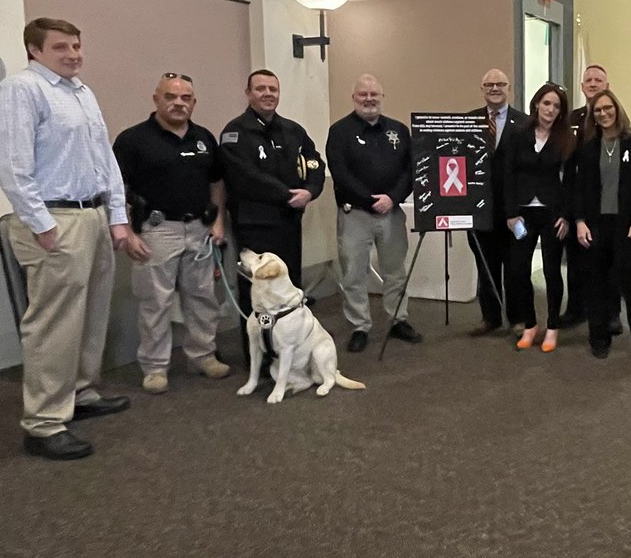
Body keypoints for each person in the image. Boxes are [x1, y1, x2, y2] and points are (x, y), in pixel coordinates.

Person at [0, 18, 131, 460]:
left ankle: (82, 394)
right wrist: (41, 223)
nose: (73, 54)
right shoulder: (22, 90)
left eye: (76, 46)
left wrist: (117, 215)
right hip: (54, 218)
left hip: (91, 215)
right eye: (61, 47)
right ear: (34, 49)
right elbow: (10, 164)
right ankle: (44, 423)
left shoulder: (81, 93)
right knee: (53, 326)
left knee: (90, 315)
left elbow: (105, 158)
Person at [113, 74, 232, 394]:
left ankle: (203, 356)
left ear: (193, 102)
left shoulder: (204, 138)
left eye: (186, 98)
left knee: (203, 298)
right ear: (156, 99)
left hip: (199, 229)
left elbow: (217, 183)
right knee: (155, 303)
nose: (178, 103)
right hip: (155, 230)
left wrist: (218, 220)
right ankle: (154, 367)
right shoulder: (133, 140)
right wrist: (125, 231)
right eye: (171, 97)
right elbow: (114, 188)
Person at [219, 70, 325, 337]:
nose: (268, 94)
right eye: (261, 89)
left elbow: (314, 163)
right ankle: (263, 352)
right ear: (248, 93)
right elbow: (246, 177)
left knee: (290, 287)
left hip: (289, 223)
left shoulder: (293, 130)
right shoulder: (235, 133)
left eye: (273, 89)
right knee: (258, 292)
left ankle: (292, 347)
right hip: (255, 225)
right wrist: (288, 194)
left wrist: (311, 191)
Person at [325, 74, 421, 352]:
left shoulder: (399, 130)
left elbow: (409, 170)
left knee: (395, 271)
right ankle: (360, 325)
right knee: (353, 273)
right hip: (355, 214)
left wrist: (392, 198)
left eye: (374, 94)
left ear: (382, 97)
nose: (369, 99)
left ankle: (398, 319)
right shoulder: (339, 131)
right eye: (363, 95)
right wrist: (369, 200)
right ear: (354, 98)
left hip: (391, 213)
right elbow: (340, 173)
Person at [571, 89, 631, 360]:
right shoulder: (587, 150)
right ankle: (599, 339)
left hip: (626, 224)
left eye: (608, 108)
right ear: (593, 116)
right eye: (598, 110)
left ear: (617, 110)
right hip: (596, 225)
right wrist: (580, 221)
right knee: (596, 284)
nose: (604, 113)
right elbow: (579, 189)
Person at [504, 83, 575, 352]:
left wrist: (567, 216)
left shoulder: (566, 138)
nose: (551, 109)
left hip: (552, 213)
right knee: (518, 270)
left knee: (551, 271)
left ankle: (553, 327)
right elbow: (508, 176)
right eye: (547, 103)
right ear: (536, 104)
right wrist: (510, 214)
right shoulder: (518, 135)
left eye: (556, 106)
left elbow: (570, 181)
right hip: (522, 215)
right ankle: (531, 324)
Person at [466, 68, 528, 336]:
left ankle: (517, 319)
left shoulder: (525, 123)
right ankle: (490, 317)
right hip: (480, 210)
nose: (494, 88)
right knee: (485, 265)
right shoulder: (468, 122)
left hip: (514, 211)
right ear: (482, 89)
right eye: (488, 84)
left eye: (500, 84)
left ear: (509, 88)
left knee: (515, 267)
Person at [561, 63, 621, 333]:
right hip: (576, 196)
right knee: (575, 259)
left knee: (609, 261)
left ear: (606, 86)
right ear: (582, 86)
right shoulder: (569, 119)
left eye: (599, 80)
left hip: (606, 201)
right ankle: (576, 309)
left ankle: (612, 314)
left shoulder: (613, 118)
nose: (593, 84)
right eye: (588, 80)